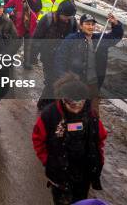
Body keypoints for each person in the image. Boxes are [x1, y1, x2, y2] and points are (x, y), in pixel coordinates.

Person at [32, 75, 107, 205]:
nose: (76, 107)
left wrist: (97, 158)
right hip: (59, 172)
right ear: (63, 99)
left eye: (80, 103)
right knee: (62, 201)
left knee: (80, 199)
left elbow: (99, 138)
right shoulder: (50, 115)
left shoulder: (90, 115)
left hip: (83, 172)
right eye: (71, 104)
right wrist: (47, 159)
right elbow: (38, 139)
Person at [54, 13, 123, 113]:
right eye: (87, 24)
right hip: (76, 83)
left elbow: (116, 36)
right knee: (73, 110)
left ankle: (91, 127)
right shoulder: (72, 39)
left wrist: (116, 24)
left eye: (92, 24)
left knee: (93, 112)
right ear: (81, 26)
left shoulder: (100, 39)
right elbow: (60, 58)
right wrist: (64, 78)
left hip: (93, 84)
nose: (90, 27)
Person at [31, 0, 78, 111]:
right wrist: (33, 55)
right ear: (59, 12)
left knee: (59, 81)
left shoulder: (72, 22)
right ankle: (44, 104)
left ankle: (51, 104)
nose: (67, 19)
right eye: (65, 16)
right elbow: (36, 38)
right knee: (51, 80)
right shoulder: (47, 19)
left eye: (69, 16)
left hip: (63, 58)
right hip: (48, 56)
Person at [5, 0, 39, 69]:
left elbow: (38, 9)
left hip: (30, 26)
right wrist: (11, 11)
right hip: (18, 25)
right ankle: (9, 60)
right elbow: (7, 7)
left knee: (28, 45)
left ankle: (27, 63)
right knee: (16, 44)